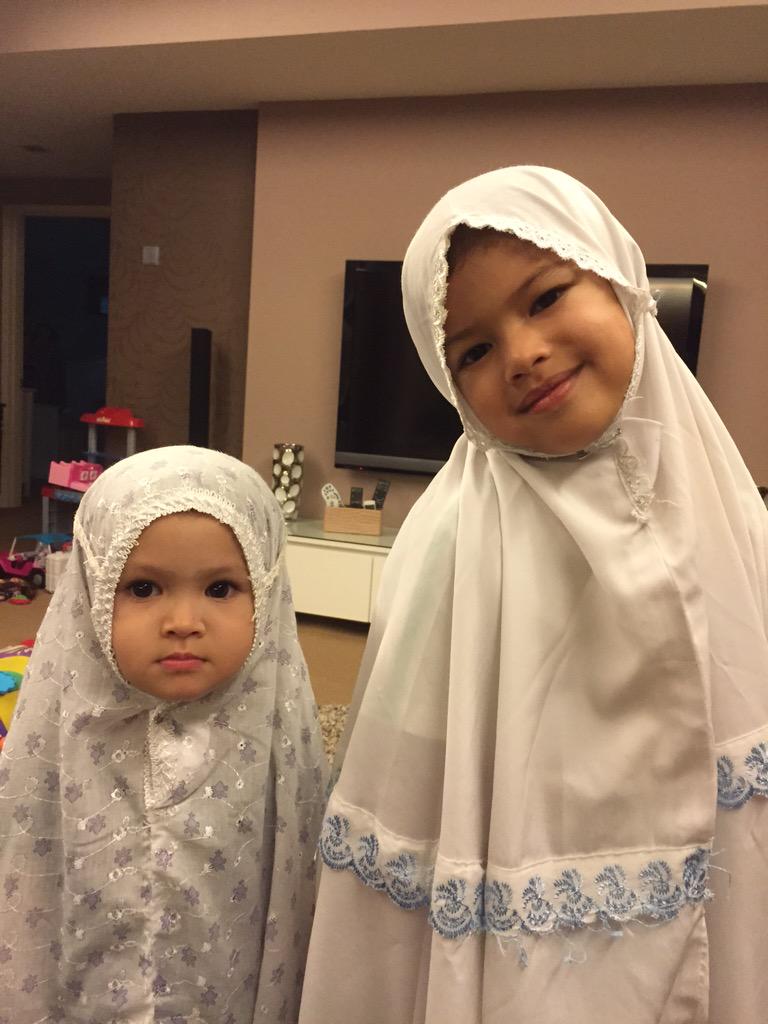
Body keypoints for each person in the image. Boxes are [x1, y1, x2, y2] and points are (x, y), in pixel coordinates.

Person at [299, 167, 768, 1023]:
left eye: (547, 298)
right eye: (473, 352)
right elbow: (410, 764)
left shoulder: (726, 504)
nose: (522, 356)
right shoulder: (447, 540)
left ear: (620, 281)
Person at [0, 445, 327, 1023]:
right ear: (93, 590)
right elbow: (30, 879)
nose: (183, 622)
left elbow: (291, 890)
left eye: (220, 589)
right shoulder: (56, 737)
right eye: (144, 589)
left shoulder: (278, 742)